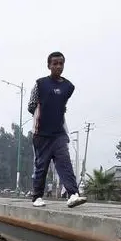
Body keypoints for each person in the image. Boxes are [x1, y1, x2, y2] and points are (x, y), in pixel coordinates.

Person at [27, 51, 87, 208]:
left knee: (65, 163)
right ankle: (37, 197)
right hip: (41, 133)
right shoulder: (40, 84)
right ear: (49, 66)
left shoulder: (68, 87)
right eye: (55, 63)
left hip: (59, 133)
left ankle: (73, 194)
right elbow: (31, 105)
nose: (58, 66)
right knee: (42, 165)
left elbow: (62, 104)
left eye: (61, 63)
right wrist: (43, 114)